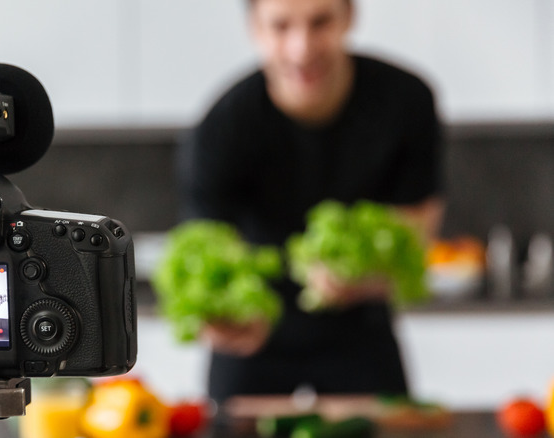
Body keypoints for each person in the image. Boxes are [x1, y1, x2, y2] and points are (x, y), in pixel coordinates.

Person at [176, 0, 444, 403]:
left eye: (320, 22)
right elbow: (204, 249)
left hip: (361, 329)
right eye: (281, 26)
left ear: (349, 18)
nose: (302, 48)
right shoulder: (224, 126)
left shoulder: (406, 102)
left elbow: (415, 235)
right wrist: (220, 316)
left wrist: (366, 279)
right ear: (255, 29)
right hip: (257, 334)